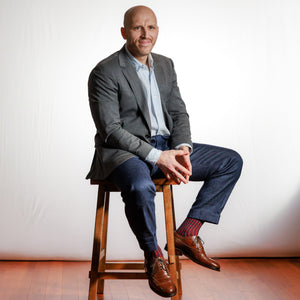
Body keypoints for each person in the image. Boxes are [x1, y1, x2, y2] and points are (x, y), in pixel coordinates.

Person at [87, 5, 243, 298]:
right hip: (124, 154)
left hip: (168, 147)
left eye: (151, 27)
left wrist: (182, 148)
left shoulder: (166, 64)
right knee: (140, 185)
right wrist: (157, 156)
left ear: (157, 31)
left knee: (230, 161)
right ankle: (154, 255)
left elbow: (178, 113)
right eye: (137, 28)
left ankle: (186, 233)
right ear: (124, 32)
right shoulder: (104, 71)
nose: (145, 34)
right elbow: (111, 130)